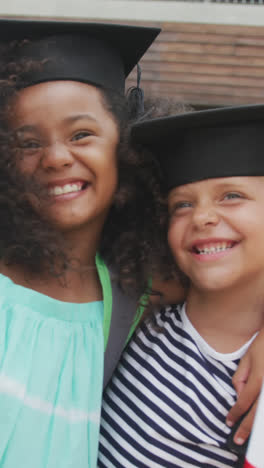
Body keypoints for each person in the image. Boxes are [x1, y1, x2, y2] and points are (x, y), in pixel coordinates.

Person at [0, 17, 164, 468]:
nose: (55, 157)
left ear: (125, 148)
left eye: (81, 135)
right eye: (27, 142)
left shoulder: (137, 296)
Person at [99, 104, 264, 467]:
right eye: (182, 205)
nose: (202, 217)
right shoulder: (146, 317)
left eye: (231, 196)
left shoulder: (256, 384)